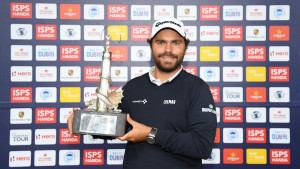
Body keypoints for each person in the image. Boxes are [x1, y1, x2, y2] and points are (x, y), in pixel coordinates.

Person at [68, 17, 217, 169]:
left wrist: (150, 134)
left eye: (176, 43)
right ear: (151, 45)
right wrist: (85, 122)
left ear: (185, 47)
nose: (168, 50)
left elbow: (202, 146)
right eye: (161, 42)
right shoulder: (133, 87)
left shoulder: (197, 88)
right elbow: (114, 127)